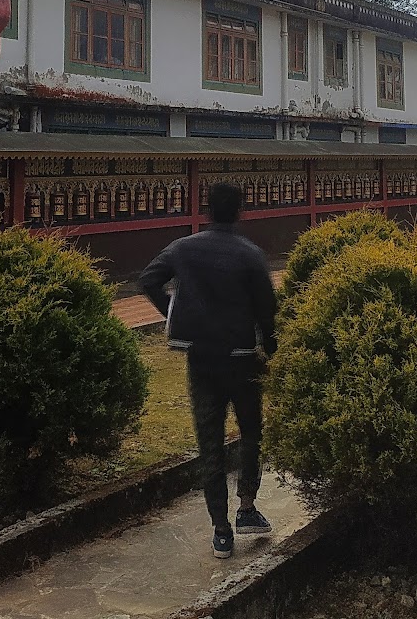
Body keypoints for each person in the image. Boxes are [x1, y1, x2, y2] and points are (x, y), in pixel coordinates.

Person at [139, 183, 277, 559]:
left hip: (200, 359)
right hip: (242, 358)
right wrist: (274, 351)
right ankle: (247, 506)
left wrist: (175, 312)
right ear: (239, 211)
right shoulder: (250, 255)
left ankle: (220, 530)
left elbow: (148, 280)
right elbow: (267, 311)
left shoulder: (184, 248)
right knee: (251, 432)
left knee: (210, 442)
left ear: (206, 210)